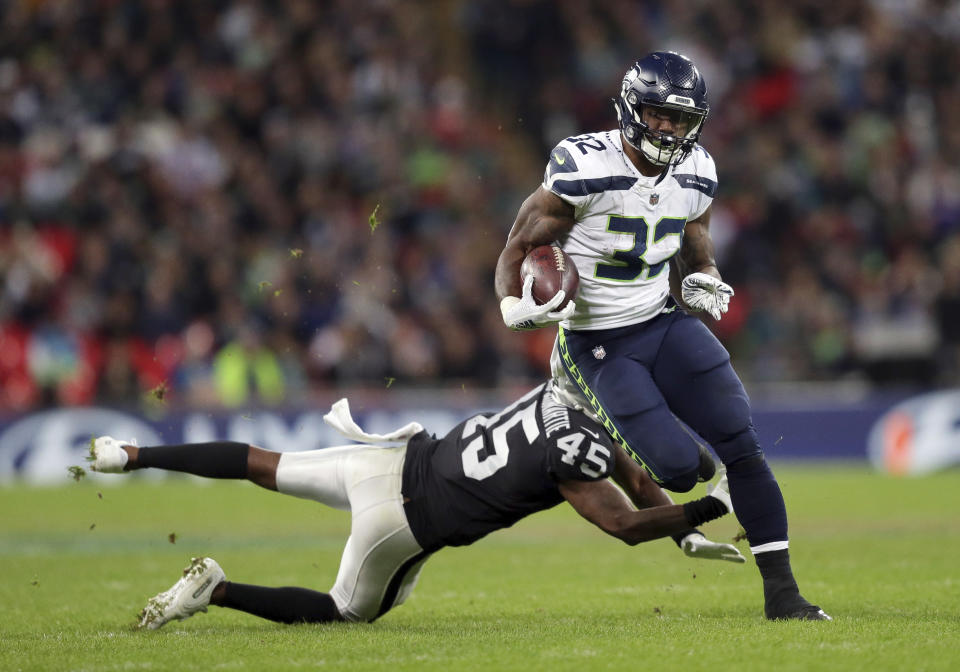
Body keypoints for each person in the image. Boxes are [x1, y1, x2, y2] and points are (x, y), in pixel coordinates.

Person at [494, 51, 830, 621]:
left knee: (742, 443)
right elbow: (517, 245)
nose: (668, 128)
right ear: (631, 107)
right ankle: (686, 456)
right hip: (598, 342)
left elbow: (695, 236)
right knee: (676, 469)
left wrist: (705, 277)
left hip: (661, 320)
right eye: (657, 114)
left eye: (680, 118)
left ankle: (783, 594)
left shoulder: (697, 169)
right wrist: (510, 305)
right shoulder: (583, 165)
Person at [89, 379, 742, 629]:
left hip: (387, 459)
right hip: (401, 520)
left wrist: (682, 532)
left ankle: (135, 454)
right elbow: (624, 523)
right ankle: (219, 591)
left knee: (264, 463)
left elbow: (629, 474)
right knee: (347, 614)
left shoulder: (569, 393)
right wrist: (702, 511)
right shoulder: (582, 454)